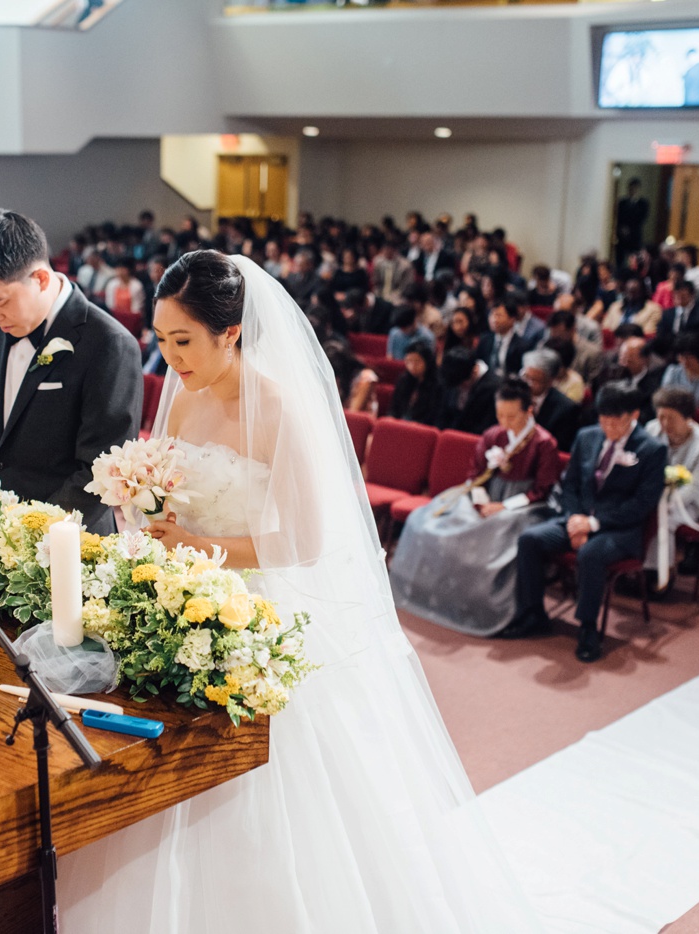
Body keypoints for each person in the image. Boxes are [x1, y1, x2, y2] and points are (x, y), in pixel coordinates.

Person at [59, 250, 543, 933]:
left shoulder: (282, 409)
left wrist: (201, 548)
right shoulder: (182, 396)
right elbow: (170, 498)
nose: (170, 360)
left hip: (255, 609)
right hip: (182, 604)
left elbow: (305, 543)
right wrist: (151, 517)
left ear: (229, 332)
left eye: (183, 342)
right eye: (162, 342)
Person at [0, 209, 142, 535]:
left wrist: (27, 532)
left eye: (0, 302)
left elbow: (101, 470)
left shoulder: (109, 343)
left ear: (40, 278)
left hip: (70, 541)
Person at [502, 383, 668, 662]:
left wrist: (593, 524)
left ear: (634, 415)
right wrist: (574, 519)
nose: (609, 427)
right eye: (604, 419)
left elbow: (642, 504)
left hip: (619, 531)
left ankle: (588, 627)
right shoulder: (587, 436)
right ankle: (534, 614)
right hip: (577, 518)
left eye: (618, 421)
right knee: (529, 539)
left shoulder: (652, 450)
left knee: (591, 554)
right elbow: (570, 485)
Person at [390, 378, 562, 636]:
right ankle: (433, 593)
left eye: (511, 416)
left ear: (529, 410)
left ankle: (486, 607)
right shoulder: (494, 434)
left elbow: (542, 490)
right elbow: (476, 472)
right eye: (500, 414)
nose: (504, 422)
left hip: (524, 506)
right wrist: (481, 501)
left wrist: (502, 506)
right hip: (485, 497)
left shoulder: (543, 443)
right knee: (426, 521)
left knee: (492, 537)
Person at [644, 387, 699, 578]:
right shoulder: (652, 429)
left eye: (671, 418)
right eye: (661, 417)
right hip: (654, 493)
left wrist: (663, 503)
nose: (665, 423)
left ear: (687, 418)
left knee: (664, 518)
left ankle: (661, 573)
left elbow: (696, 485)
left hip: (690, 501)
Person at [522, 347, 581, 451]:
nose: (528, 384)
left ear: (550, 381)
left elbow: (559, 448)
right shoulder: (516, 395)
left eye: (535, 380)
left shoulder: (566, 409)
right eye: (526, 377)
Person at [437, 346, 501, 435]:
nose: (459, 388)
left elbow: (486, 425)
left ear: (474, 371)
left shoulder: (494, 388)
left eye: (462, 384)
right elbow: (444, 414)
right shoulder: (452, 378)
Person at [476, 295, 532, 379]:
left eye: (499, 315)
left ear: (512, 319)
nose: (494, 319)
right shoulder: (485, 339)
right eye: (492, 315)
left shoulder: (523, 345)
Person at [390, 339, 443, 424]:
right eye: (409, 361)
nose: (412, 366)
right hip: (400, 423)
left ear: (427, 362)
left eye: (417, 362)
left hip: (421, 428)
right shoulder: (403, 379)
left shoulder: (437, 385)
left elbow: (433, 416)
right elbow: (394, 408)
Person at [660, 333, 699, 410]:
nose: (684, 361)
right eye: (681, 357)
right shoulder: (673, 371)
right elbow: (664, 397)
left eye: (688, 357)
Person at [615, 178, 650, 266]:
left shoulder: (643, 203)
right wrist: (622, 228)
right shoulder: (622, 202)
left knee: (635, 258)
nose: (633, 190)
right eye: (631, 188)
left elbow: (642, 218)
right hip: (622, 236)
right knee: (621, 258)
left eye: (635, 188)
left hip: (635, 235)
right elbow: (618, 217)